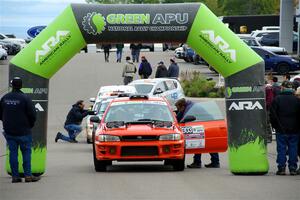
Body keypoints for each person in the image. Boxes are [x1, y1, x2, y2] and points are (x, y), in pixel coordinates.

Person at [0, 77, 40, 183]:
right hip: (24, 131)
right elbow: (32, 114)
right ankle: (28, 176)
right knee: (26, 153)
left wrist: (6, 122)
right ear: (21, 86)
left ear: (11, 85)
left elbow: (0, 113)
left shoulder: (5, 98)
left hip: (9, 131)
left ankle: (15, 176)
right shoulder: (25, 98)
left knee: (13, 153)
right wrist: (29, 125)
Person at [175, 98, 220, 169]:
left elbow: (183, 119)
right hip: (206, 123)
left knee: (205, 142)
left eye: (179, 108)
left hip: (208, 124)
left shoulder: (189, 108)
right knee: (199, 142)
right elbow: (178, 117)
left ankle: (199, 162)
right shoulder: (187, 105)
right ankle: (213, 162)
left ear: (183, 106)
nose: (178, 110)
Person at [270, 81, 300, 175]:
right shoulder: (297, 100)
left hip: (280, 128)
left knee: (281, 148)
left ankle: (281, 168)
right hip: (295, 129)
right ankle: (293, 168)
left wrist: (275, 126)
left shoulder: (277, 99)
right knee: (293, 148)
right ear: (292, 89)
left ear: (282, 88)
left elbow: (273, 115)